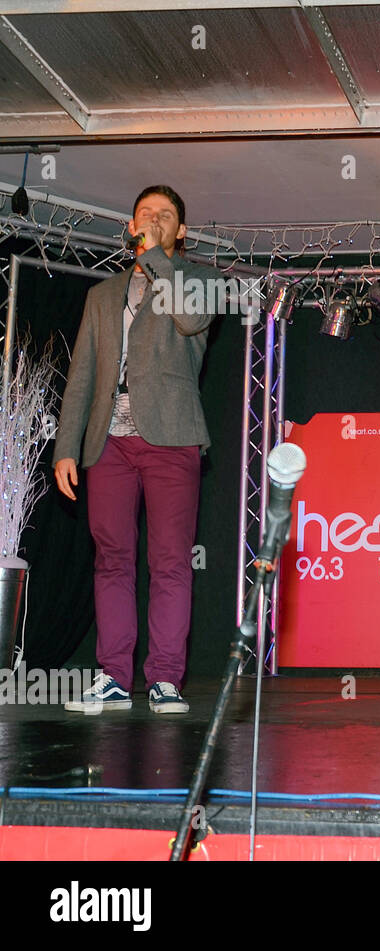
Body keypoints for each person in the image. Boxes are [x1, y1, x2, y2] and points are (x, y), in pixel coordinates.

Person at [55, 185, 219, 715]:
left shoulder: (202, 281)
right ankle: (113, 677)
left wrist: (154, 259)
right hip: (109, 442)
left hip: (171, 436)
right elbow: (82, 376)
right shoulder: (101, 296)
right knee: (112, 560)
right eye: (146, 214)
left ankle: (166, 678)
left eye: (166, 215)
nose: (154, 220)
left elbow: (191, 321)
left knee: (170, 562)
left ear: (181, 231)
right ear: (130, 225)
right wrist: (66, 447)